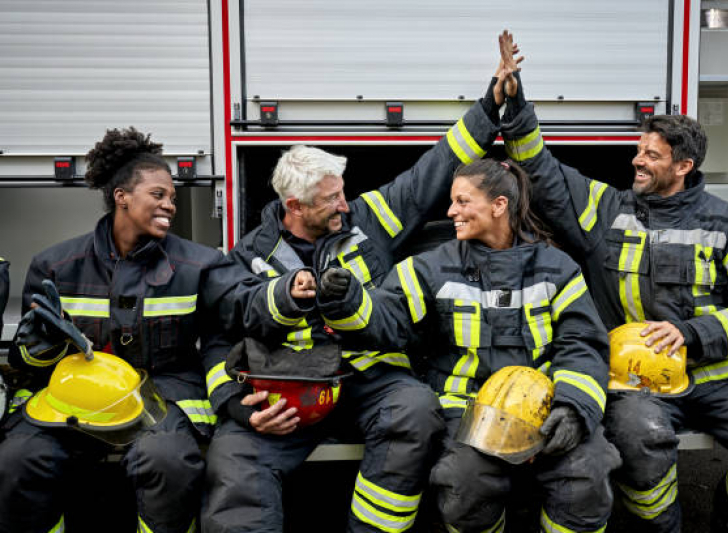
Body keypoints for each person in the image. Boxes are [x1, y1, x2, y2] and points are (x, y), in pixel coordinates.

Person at [201, 36, 518, 533]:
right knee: (234, 458)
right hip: (293, 390)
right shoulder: (248, 257)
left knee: (415, 410)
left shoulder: (368, 218)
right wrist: (240, 411)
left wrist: (491, 104)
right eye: (331, 200)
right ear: (296, 208)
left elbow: (430, 173)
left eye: (343, 193)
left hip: (370, 378)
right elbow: (220, 340)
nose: (345, 205)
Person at [497, 34, 728, 533]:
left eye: (652, 155)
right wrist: (515, 102)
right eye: (639, 150)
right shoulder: (606, 210)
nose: (637, 160)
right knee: (640, 445)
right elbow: (543, 171)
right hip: (635, 380)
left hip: (720, 375)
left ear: (684, 167)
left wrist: (695, 334)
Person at [317, 157, 621, 533]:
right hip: (465, 413)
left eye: (462, 201)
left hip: (548, 414)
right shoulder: (428, 268)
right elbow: (386, 318)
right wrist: (348, 300)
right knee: (465, 485)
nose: (451, 211)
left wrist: (573, 409)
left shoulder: (558, 268)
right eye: (451, 201)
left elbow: (583, 345)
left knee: (586, 478)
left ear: (499, 206)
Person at [0, 127, 277, 533]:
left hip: (161, 393)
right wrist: (40, 347)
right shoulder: (56, 266)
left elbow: (243, 304)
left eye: (173, 198)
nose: (170, 205)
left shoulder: (199, 264)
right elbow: (28, 363)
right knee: (18, 461)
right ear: (122, 197)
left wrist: (286, 295)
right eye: (158, 195)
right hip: (73, 397)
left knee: (169, 462)